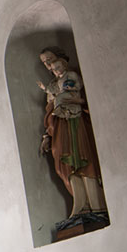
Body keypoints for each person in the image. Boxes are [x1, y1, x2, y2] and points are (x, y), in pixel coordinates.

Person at [37, 46, 107, 225]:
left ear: (61, 58)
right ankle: (80, 205)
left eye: (50, 59)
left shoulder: (73, 76)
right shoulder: (53, 84)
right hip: (60, 126)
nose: (48, 64)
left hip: (76, 120)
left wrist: (65, 99)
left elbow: (83, 99)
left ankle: (97, 205)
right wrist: (47, 136)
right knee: (65, 163)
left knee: (83, 157)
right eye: (45, 63)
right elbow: (50, 109)